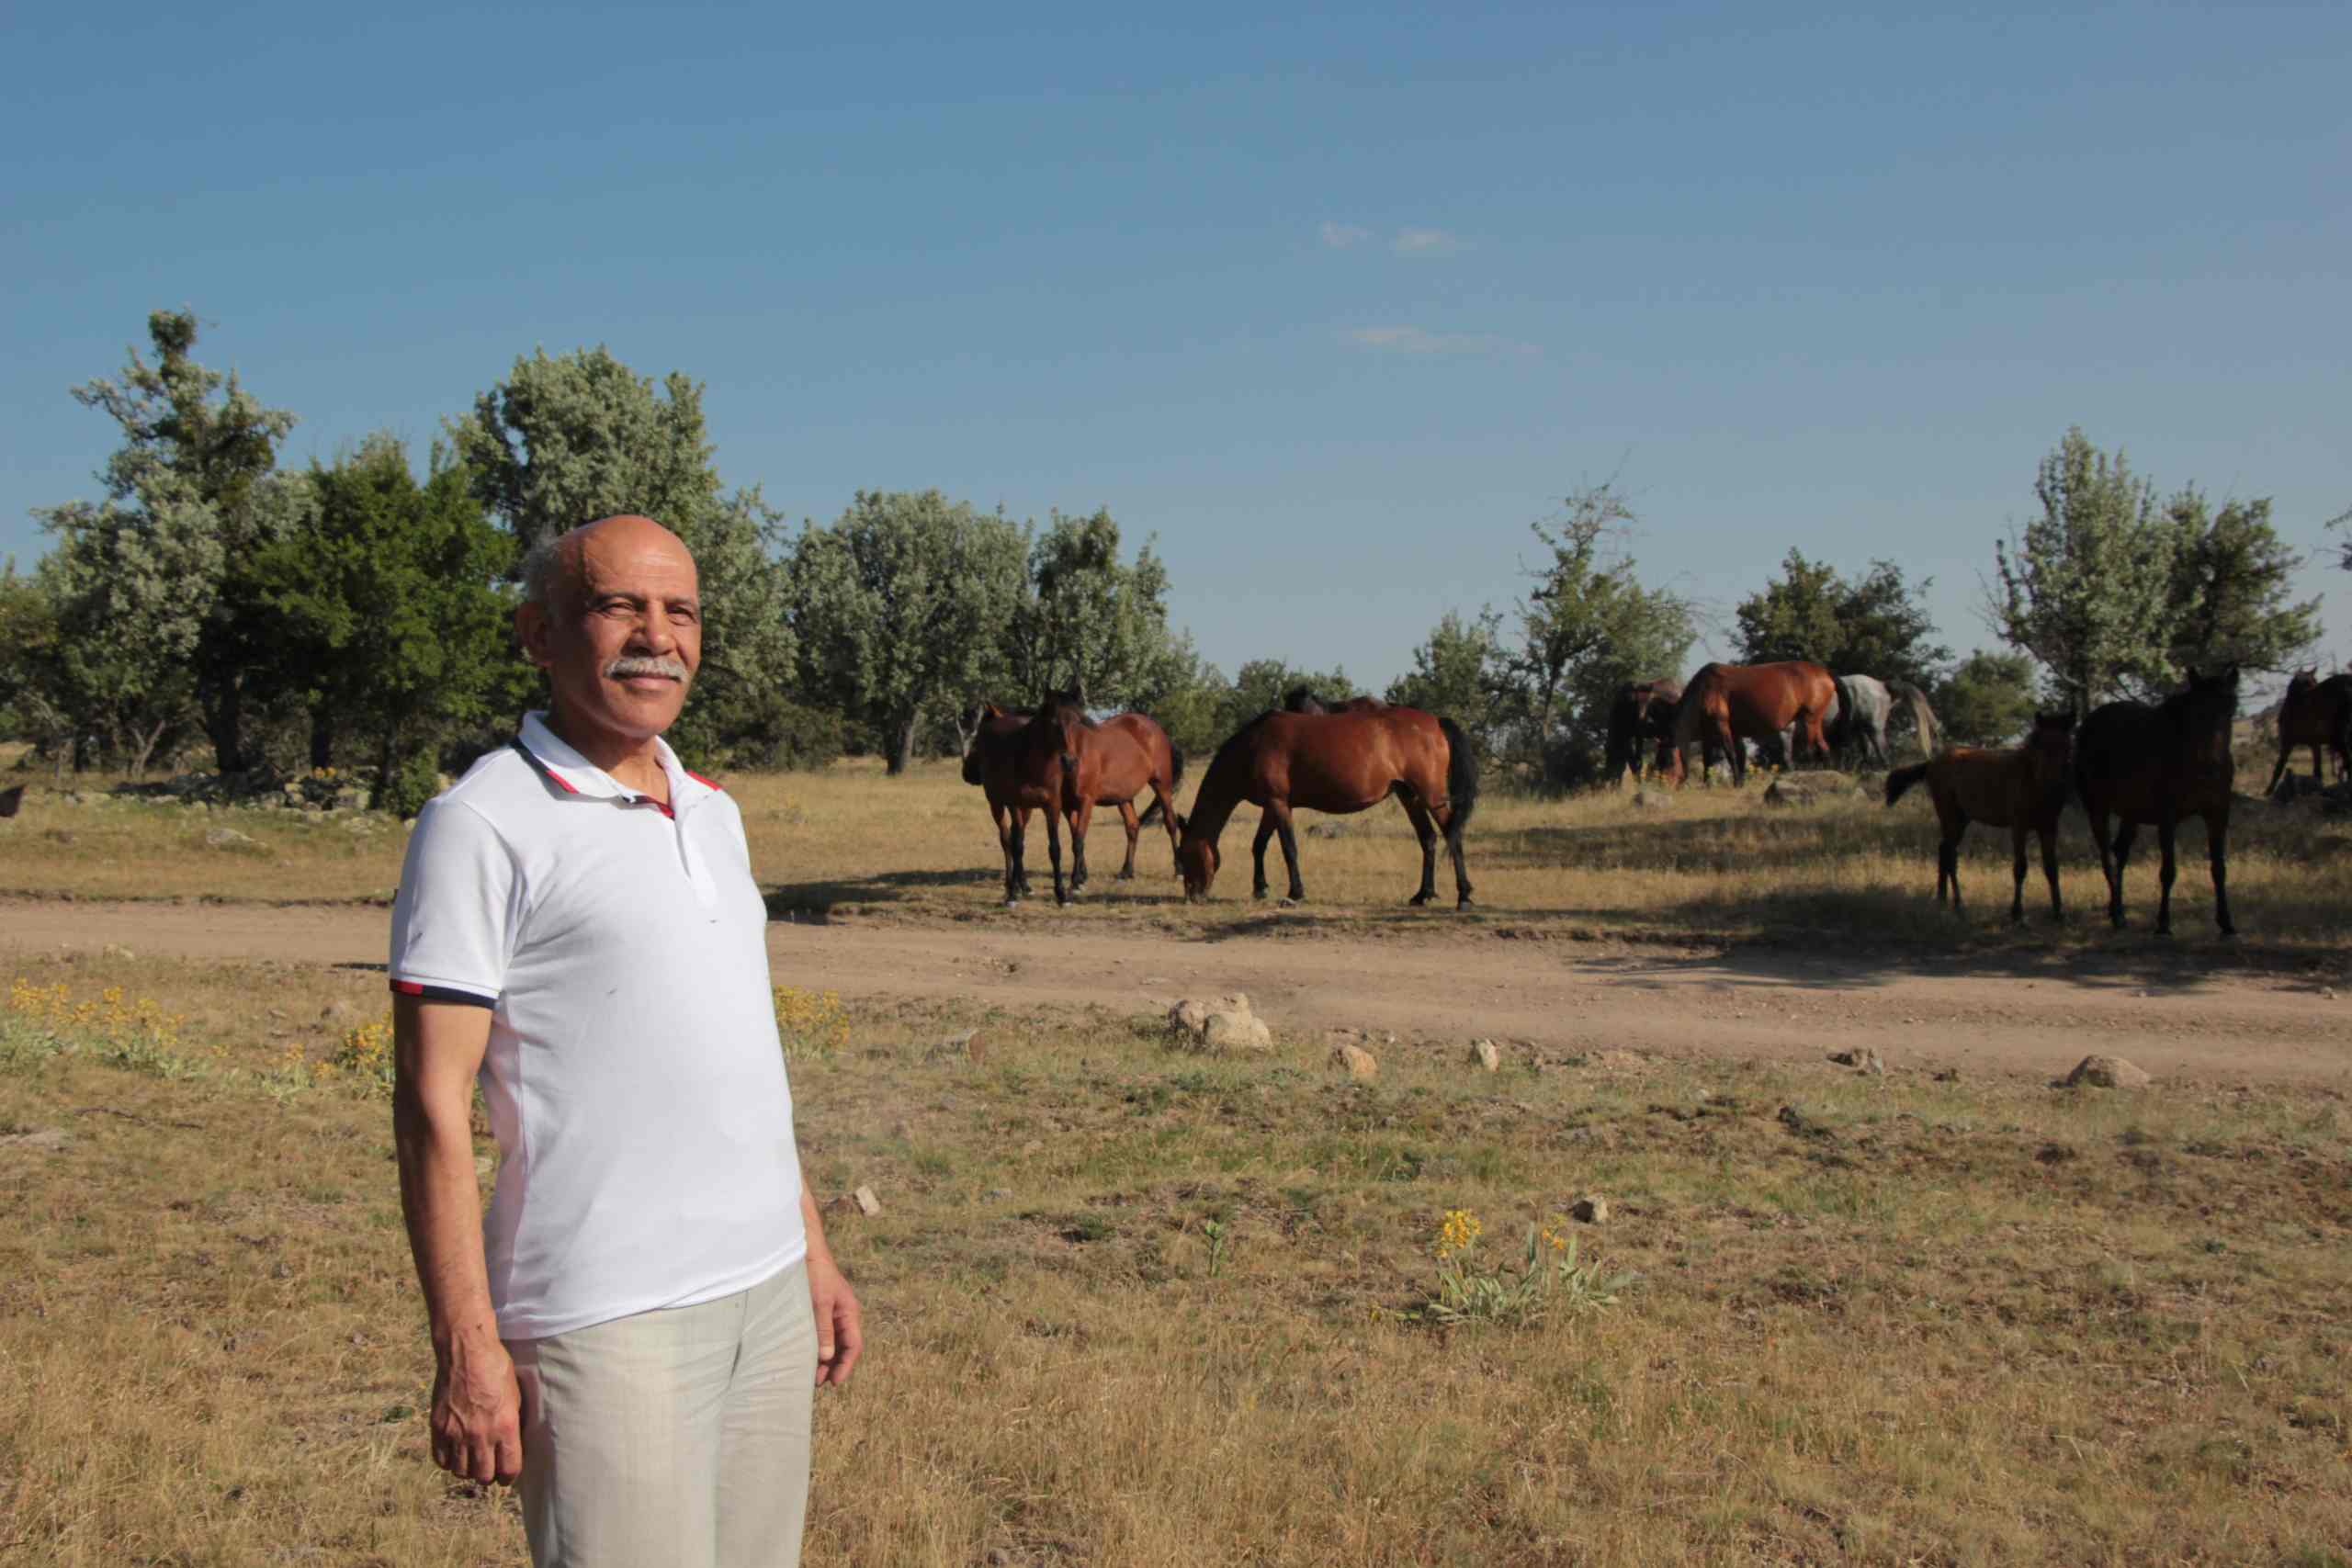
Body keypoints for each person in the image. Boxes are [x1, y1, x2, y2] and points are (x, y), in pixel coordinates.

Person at [389, 513, 861, 1568]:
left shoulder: (711, 810)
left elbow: (736, 1060)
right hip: (607, 1323)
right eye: (620, 606)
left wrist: (812, 1255)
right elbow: (430, 1101)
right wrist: (466, 1348)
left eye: (680, 610)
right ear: (539, 634)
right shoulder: (481, 822)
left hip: (767, 1295)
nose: (658, 635)